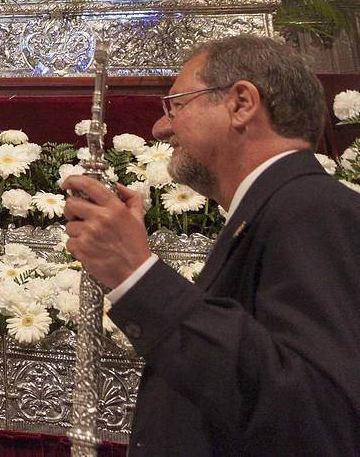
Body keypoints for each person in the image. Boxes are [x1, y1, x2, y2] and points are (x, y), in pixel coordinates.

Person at [61, 34, 360, 455]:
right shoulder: (272, 208)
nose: (161, 127)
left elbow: (319, 416)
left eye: (177, 104)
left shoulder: (313, 208)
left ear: (241, 103)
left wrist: (138, 275)